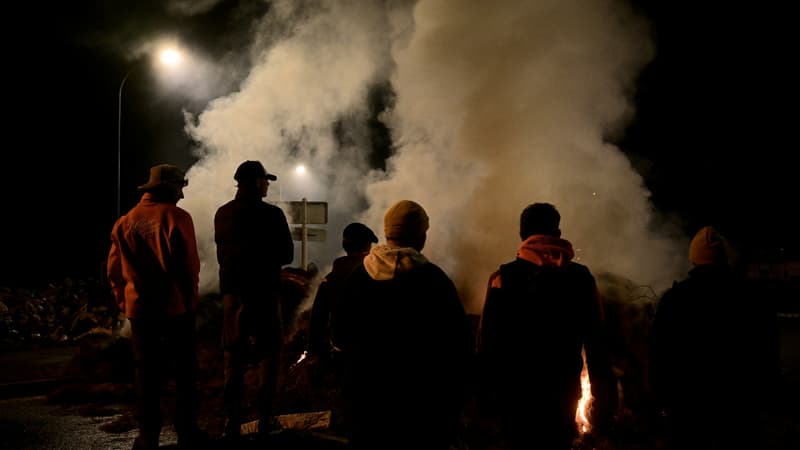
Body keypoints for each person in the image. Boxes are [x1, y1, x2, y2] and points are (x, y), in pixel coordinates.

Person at [332, 200, 474, 450]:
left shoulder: (359, 276)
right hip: (419, 406)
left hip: (365, 400)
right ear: (421, 236)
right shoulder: (433, 280)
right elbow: (459, 345)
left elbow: (339, 333)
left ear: (388, 234)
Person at [475, 202, 618, 450]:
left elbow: (488, 343)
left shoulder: (502, 277)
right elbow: (597, 343)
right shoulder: (581, 278)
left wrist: (485, 399)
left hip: (515, 396)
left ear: (522, 235)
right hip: (563, 392)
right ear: (558, 234)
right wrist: (605, 399)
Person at [648, 226, 780, 450]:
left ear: (694, 260)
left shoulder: (676, 299)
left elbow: (659, 353)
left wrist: (662, 396)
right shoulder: (753, 298)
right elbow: (767, 351)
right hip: (740, 405)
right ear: (724, 259)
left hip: (688, 406)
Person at [107, 164, 207, 450]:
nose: (182, 194)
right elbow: (189, 269)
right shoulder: (177, 217)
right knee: (184, 372)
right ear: (167, 188)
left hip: (139, 312)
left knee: (146, 373)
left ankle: (147, 435)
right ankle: (186, 431)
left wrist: (125, 302)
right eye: (180, 188)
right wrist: (191, 303)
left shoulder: (124, 222)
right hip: (175, 310)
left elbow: (113, 271)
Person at [214, 160, 294, 442]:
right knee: (268, 357)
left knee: (233, 360)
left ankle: (231, 423)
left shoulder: (222, 214)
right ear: (256, 182)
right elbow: (287, 255)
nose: (268, 184)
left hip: (232, 297)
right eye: (265, 180)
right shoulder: (272, 215)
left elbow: (222, 255)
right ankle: (264, 420)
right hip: (264, 294)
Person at [308, 222, 378, 361]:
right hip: (371, 354)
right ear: (367, 247)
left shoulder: (330, 279)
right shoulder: (375, 276)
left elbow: (317, 323)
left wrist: (322, 355)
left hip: (340, 352)